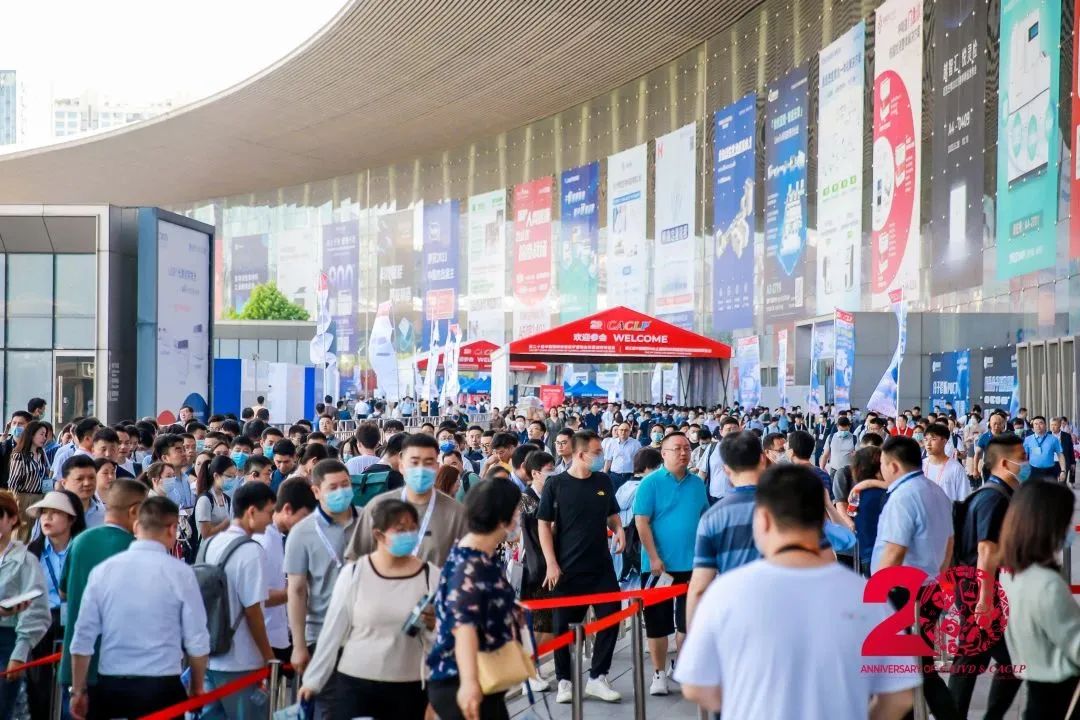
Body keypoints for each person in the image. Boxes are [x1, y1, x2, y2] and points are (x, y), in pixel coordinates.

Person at [674, 464, 918, 718]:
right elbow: (900, 697)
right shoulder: (871, 598)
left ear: (763, 520)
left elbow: (695, 686)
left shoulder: (725, 593)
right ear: (820, 520)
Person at [69, 497, 210, 720]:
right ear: (172, 529)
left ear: (136, 526)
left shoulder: (103, 571)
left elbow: (82, 638)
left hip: (110, 686)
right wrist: (197, 686)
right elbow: (197, 639)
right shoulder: (181, 573)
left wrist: (78, 690)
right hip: (161, 687)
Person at [300, 499, 438, 720]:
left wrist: (432, 626)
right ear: (379, 535)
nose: (409, 535)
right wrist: (313, 681)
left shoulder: (430, 575)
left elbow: (443, 637)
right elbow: (332, 632)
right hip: (357, 684)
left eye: (413, 528)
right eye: (400, 530)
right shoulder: (354, 573)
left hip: (409, 686)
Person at [870, 436, 955, 718]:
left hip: (902, 596)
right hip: (929, 590)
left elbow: (894, 551)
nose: (881, 470)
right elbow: (950, 542)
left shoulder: (903, 498)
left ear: (893, 465)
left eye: (882, 464)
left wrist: (874, 599)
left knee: (901, 673)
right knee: (920, 668)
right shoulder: (935, 491)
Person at [538, 430, 624, 704]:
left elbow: (611, 513)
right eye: (597, 452)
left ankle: (598, 676)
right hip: (567, 568)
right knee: (563, 628)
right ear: (579, 454)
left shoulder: (603, 481)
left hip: (601, 567)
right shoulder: (556, 484)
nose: (601, 457)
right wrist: (551, 563)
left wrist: (619, 529)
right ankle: (564, 680)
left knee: (611, 618)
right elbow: (543, 525)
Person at [427, 479, 522, 720]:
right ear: (502, 518)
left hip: (485, 676)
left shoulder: (482, 556)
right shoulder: (469, 565)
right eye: (516, 511)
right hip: (461, 679)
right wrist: (469, 684)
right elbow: (464, 627)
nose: (519, 517)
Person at [949, 433, 1025, 717]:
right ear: (1005, 463)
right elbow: (986, 550)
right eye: (1022, 457)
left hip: (979, 588)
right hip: (980, 590)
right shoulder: (993, 498)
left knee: (973, 658)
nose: (1026, 462)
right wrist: (984, 601)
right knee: (1007, 659)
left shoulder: (997, 494)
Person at [58, 479, 148, 708]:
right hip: (117, 666)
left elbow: (63, 591)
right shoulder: (135, 547)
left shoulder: (79, 541)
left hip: (75, 662)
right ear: (134, 511)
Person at [633, 432, 708, 695]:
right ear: (663, 453)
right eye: (677, 448)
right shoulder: (650, 483)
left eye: (687, 448)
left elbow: (703, 519)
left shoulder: (697, 484)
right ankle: (659, 673)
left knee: (688, 622)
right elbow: (641, 521)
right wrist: (654, 556)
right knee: (657, 623)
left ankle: (682, 666)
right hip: (658, 567)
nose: (684, 453)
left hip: (692, 565)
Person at [284, 457, 358, 716]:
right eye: (333, 487)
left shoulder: (368, 521)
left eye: (345, 485)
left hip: (363, 633)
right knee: (327, 708)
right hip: (321, 635)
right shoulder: (301, 532)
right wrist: (299, 644)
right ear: (316, 491)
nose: (341, 492)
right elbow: (296, 591)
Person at [999, 481, 1080, 718]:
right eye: (1065, 520)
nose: (1069, 528)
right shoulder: (1047, 584)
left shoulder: (1010, 575)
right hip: (1062, 697)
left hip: (1037, 690)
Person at [200, 482, 276, 719]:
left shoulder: (210, 543)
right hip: (241, 660)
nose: (271, 520)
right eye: (269, 512)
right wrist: (268, 657)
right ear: (251, 511)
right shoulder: (251, 551)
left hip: (208, 655)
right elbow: (253, 611)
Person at [347, 434, 468, 567]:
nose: (421, 470)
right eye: (414, 462)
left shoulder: (456, 513)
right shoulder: (377, 507)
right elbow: (355, 559)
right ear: (401, 465)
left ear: (437, 467)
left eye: (428, 463)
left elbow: (466, 564)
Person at [686, 431, 765, 626]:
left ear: (726, 469)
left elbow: (699, 588)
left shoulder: (713, 517)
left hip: (735, 617)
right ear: (763, 460)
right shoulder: (791, 507)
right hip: (784, 619)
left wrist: (694, 639)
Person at [25, 489, 86, 720]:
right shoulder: (32, 551)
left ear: (71, 519)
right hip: (41, 626)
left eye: (55, 513)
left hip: (76, 625)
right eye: (43, 512)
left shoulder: (82, 549)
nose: (47, 518)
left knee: (72, 696)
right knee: (39, 694)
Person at [0, 490, 51, 720]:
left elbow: (37, 611)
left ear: (12, 519)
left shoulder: (26, 560)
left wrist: (20, 652)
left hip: (8, 641)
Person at [256, 478, 317, 667]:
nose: (306, 524)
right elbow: (257, 595)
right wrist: (296, 591)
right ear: (287, 509)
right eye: (304, 516)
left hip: (279, 631)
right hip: (266, 638)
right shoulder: (264, 540)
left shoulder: (277, 536)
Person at [8, 421, 51, 536]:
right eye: (41, 434)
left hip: (41, 498)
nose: (44, 438)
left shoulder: (42, 454)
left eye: (45, 435)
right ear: (31, 434)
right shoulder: (19, 456)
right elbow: (13, 483)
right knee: (22, 534)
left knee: (37, 534)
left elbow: (46, 477)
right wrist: (13, 504)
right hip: (24, 499)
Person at [922, 424, 969, 502]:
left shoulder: (956, 468)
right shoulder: (919, 466)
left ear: (944, 441)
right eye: (926, 439)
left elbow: (964, 498)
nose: (928, 443)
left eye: (933, 439)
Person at [195, 455, 238, 540]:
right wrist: (226, 524)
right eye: (229, 476)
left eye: (234, 476)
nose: (232, 480)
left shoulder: (226, 499)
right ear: (216, 476)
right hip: (208, 546)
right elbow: (205, 534)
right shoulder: (205, 500)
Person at [1023, 415, 1066, 482]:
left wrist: (1063, 470)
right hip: (1033, 471)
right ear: (1033, 426)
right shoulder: (1028, 439)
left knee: (1050, 488)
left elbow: (1060, 455)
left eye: (1041, 423)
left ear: (1045, 425)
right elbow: (1024, 456)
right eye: (1035, 424)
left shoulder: (1053, 439)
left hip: (1050, 471)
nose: (1038, 426)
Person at [602, 422, 638, 491]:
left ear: (629, 432)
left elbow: (638, 461)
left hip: (629, 476)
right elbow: (608, 460)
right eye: (621, 430)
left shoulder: (636, 443)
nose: (623, 432)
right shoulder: (611, 443)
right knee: (614, 495)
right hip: (615, 476)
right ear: (618, 431)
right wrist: (604, 475)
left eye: (626, 430)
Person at [1052, 416, 1076, 485]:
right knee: (1052, 483)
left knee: (1062, 484)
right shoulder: (1047, 435)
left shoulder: (1067, 436)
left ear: (1060, 425)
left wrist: (1072, 463)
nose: (1053, 427)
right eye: (1051, 425)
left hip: (1064, 462)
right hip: (1051, 463)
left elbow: (1070, 450)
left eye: (1055, 425)